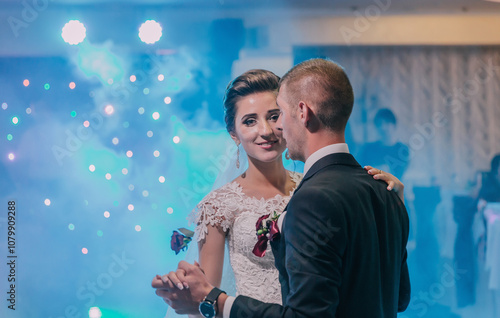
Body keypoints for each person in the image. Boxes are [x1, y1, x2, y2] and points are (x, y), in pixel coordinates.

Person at [153, 64, 409, 318]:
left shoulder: (320, 189)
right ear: (234, 134)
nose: (265, 130)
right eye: (250, 121)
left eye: (274, 115)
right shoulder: (218, 206)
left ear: (294, 116)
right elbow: (202, 303)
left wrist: (391, 210)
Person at [358, 108, 409, 179]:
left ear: (394, 125)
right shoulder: (368, 149)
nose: (383, 127)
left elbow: (398, 175)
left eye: (387, 123)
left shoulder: (402, 149)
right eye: (380, 124)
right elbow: (360, 171)